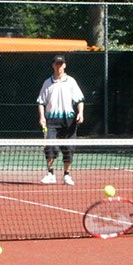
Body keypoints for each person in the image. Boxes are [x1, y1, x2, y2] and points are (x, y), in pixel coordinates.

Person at [35, 55, 86, 184]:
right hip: (51, 120)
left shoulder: (71, 81)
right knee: (50, 147)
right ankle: (50, 174)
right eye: (57, 64)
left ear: (64, 65)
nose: (59, 66)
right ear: (53, 65)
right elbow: (41, 102)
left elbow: (79, 100)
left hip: (68, 120)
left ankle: (67, 175)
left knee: (68, 148)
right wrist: (42, 117)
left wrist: (80, 113)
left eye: (61, 64)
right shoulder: (47, 83)